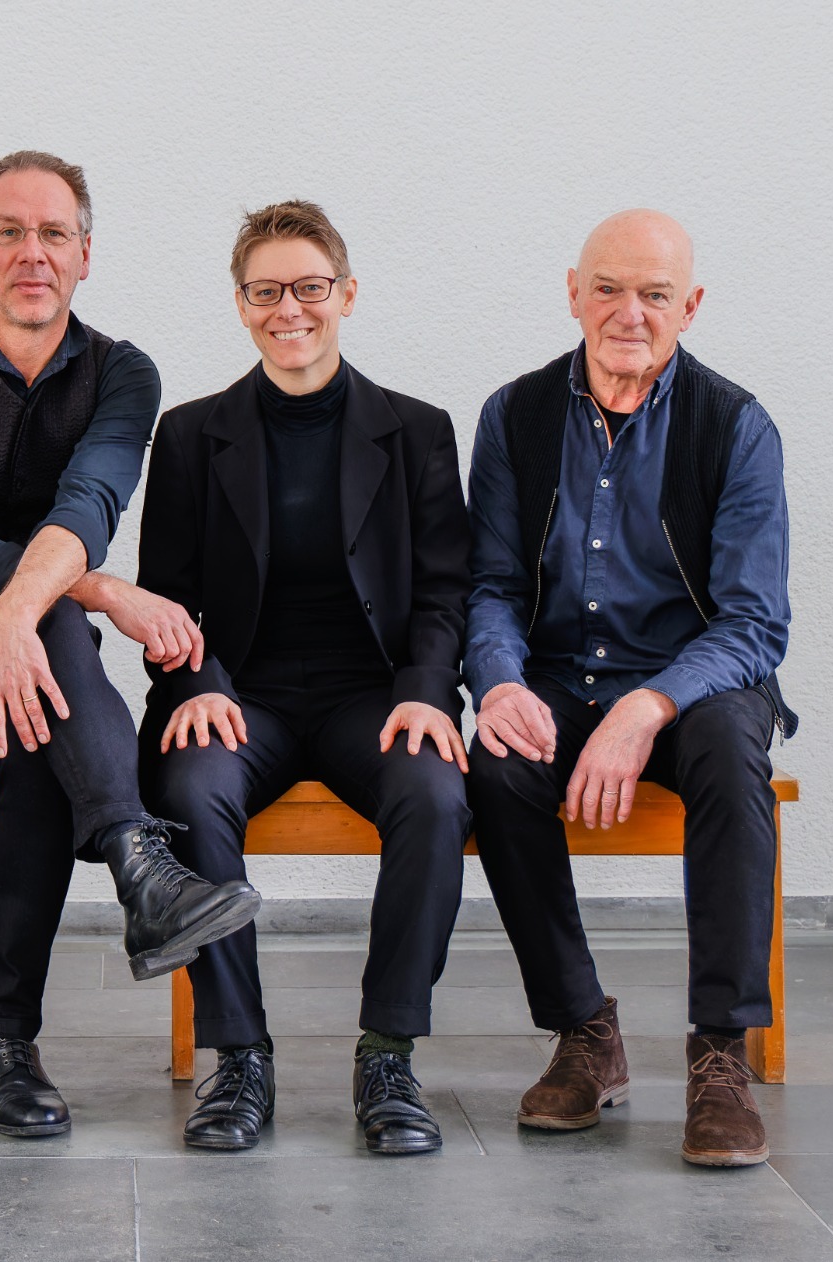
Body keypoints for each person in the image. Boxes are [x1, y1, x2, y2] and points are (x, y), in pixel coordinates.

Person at [0, 151, 260, 1139]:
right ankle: (136, 858)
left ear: (84, 254)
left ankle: (4, 1049)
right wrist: (103, 588)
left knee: (35, 721)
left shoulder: (122, 373)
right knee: (58, 622)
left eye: (53, 233)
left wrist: (35, 609)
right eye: (9, 231)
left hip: (33, 688)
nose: (32, 252)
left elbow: (89, 501)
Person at [137, 201, 473, 1154]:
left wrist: (424, 688)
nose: (291, 309)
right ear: (242, 306)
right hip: (244, 694)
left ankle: (388, 1055)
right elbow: (166, 599)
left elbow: (446, 592)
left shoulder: (417, 431)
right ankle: (238, 1059)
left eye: (311, 287)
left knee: (437, 794)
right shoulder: (194, 434)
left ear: (348, 295)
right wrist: (196, 681)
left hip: (376, 692)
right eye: (267, 291)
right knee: (191, 792)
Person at [465, 209, 796, 1167]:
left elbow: (752, 624)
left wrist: (644, 710)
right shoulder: (514, 416)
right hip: (560, 672)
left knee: (738, 756)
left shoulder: (738, 427)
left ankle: (720, 1053)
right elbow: (488, 586)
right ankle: (582, 1029)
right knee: (498, 763)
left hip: (693, 683)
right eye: (608, 288)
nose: (629, 313)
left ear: (689, 307)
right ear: (573, 291)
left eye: (654, 294)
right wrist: (494, 685)